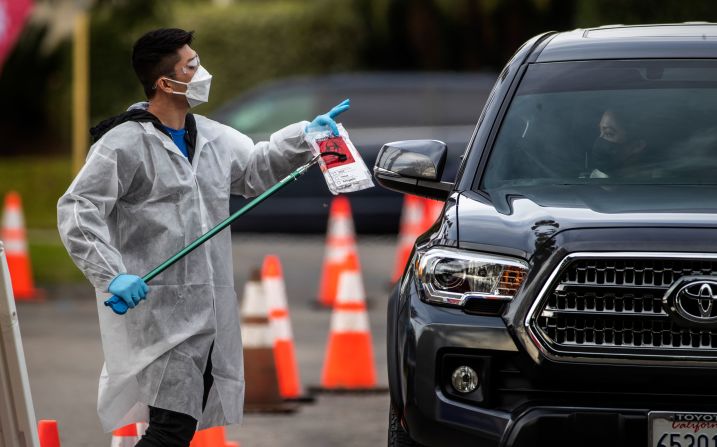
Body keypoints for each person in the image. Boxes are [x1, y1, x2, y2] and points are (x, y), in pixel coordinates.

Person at [57, 28, 349, 447]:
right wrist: (110, 273)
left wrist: (306, 135)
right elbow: (78, 208)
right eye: (191, 66)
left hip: (210, 312)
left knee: (181, 425)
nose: (201, 72)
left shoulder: (212, 137)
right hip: (159, 313)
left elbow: (255, 169)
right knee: (171, 429)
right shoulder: (123, 144)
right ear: (165, 83)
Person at [589, 108, 648, 178]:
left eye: (608, 133)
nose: (600, 139)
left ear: (637, 146)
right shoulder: (593, 178)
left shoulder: (653, 183)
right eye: (600, 131)